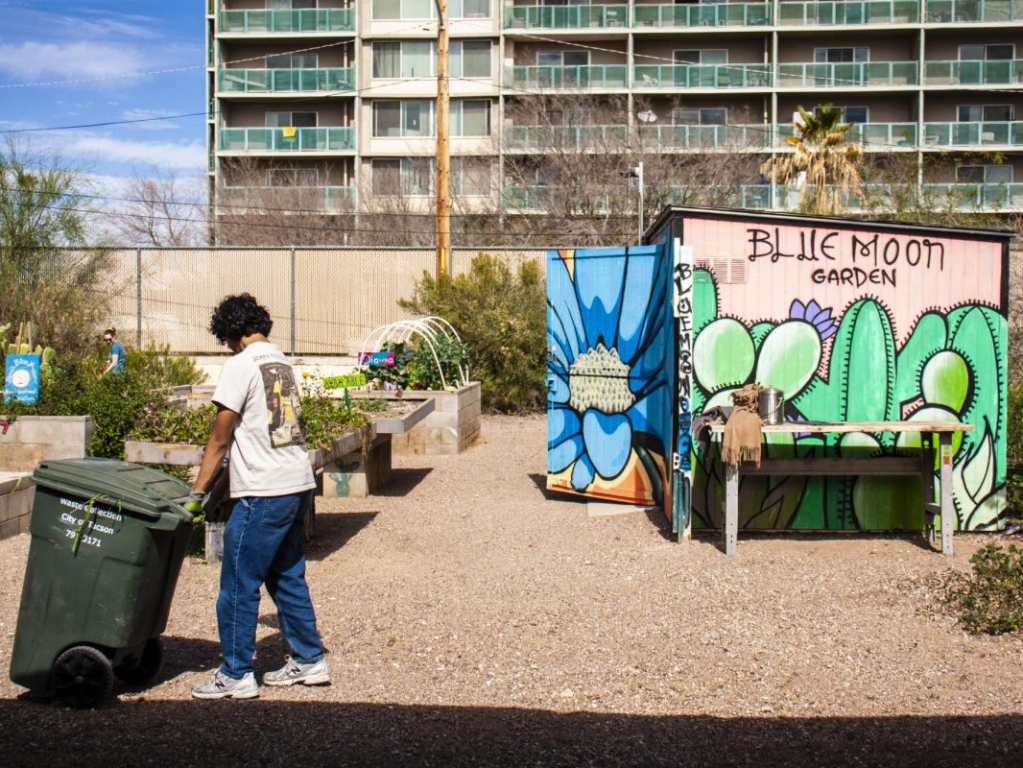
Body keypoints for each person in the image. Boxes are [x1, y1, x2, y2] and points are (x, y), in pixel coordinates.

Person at [190, 293, 329, 700]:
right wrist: (220, 490)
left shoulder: (240, 365)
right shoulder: (280, 361)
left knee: (238, 581)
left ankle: (236, 673)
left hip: (264, 492)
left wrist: (197, 494)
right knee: (286, 576)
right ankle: (309, 659)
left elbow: (220, 440)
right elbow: (257, 437)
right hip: (296, 484)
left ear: (231, 332)